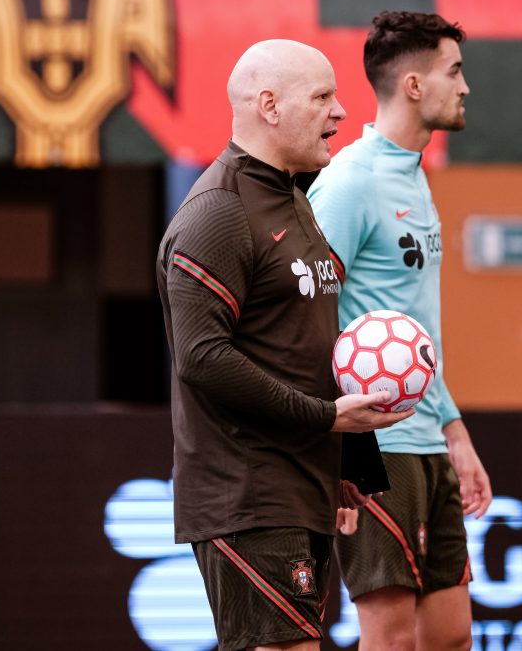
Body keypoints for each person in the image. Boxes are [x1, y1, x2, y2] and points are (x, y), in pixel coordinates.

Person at [156, 39, 413, 651]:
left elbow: (305, 342)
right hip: (247, 491)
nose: (341, 112)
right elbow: (201, 358)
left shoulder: (295, 196)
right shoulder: (216, 212)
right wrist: (325, 419)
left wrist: (346, 462)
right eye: (323, 96)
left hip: (303, 484)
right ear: (269, 106)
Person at [306, 12, 492, 651]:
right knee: (392, 641)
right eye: (454, 71)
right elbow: (303, 308)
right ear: (413, 85)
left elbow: (415, 326)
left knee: (450, 637)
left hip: (429, 442)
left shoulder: (414, 174)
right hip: (376, 447)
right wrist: (331, 432)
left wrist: (454, 429)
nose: (465, 87)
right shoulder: (352, 180)